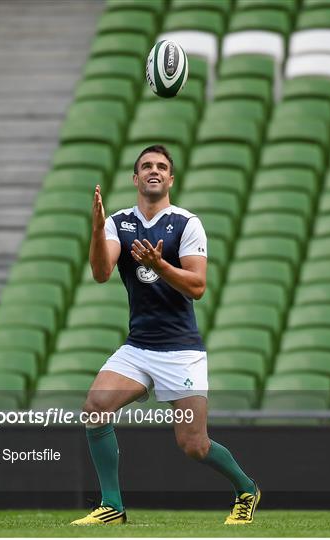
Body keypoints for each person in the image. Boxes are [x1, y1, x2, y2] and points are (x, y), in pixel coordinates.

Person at [71, 145, 260, 526]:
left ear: (170, 179)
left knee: (194, 446)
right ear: (135, 178)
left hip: (180, 351)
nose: (153, 170)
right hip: (138, 347)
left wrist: (160, 265)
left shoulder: (187, 223)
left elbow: (197, 286)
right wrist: (95, 230)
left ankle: (246, 489)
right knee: (95, 408)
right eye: (146, 166)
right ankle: (112, 506)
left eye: (161, 166)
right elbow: (101, 272)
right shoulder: (118, 222)